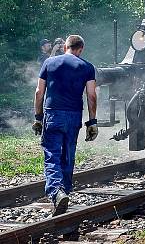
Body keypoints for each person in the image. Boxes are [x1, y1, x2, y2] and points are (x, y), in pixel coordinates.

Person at [33, 35, 98, 215]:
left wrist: (38, 117)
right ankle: (65, 192)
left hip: (53, 114)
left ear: (65, 47)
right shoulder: (87, 67)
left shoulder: (49, 63)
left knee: (52, 155)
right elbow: (91, 96)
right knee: (68, 154)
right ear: (81, 49)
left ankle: (56, 192)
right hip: (74, 116)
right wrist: (92, 122)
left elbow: (39, 92)